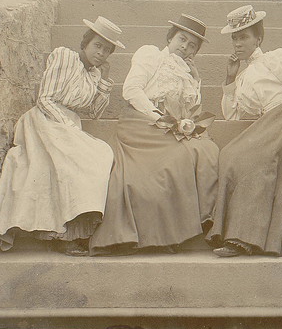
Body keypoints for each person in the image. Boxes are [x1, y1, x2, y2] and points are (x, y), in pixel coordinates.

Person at [0, 16, 125, 255]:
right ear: (85, 43)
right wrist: (67, 128)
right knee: (78, 157)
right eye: (97, 45)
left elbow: (94, 113)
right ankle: (62, 235)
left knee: (102, 153)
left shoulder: (93, 75)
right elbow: (45, 98)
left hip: (67, 124)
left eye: (107, 50)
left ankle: (72, 230)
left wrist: (103, 82)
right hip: (44, 119)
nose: (101, 53)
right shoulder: (65, 56)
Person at [89, 14, 219, 255]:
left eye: (192, 45)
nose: (185, 47)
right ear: (170, 37)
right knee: (176, 158)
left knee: (206, 150)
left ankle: (194, 224)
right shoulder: (151, 55)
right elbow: (131, 90)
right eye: (182, 39)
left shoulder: (188, 71)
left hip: (171, 126)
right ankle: (163, 233)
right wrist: (158, 117)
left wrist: (196, 80)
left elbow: (193, 107)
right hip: (142, 122)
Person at [206, 5, 282, 257]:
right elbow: (232, 115)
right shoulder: (244, 76)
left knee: (254, 160)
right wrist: (230, 79)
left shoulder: (278, 57)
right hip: (266, 125)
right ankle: (229, 230)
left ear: (258, 38)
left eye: (244, 37)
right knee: (230, 155)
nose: (238, 43)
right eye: (235, 38)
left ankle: (244, 238)